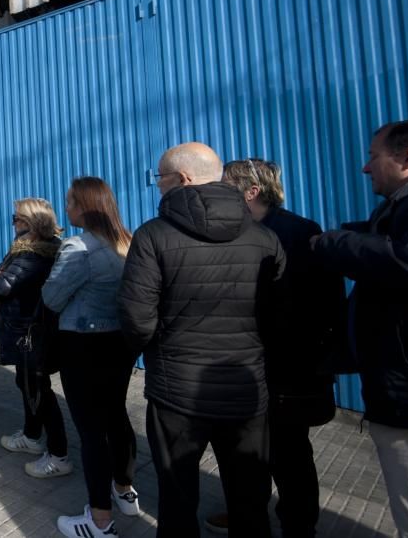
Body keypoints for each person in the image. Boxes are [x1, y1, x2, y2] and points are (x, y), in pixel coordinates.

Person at [118, 142, 284, 538]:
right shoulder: (265, 239)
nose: (157, 186)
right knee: (249, 498)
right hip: (245, 388)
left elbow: (136, 318)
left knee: (177, 500)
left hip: (178, 392)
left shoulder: (153, 236)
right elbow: (278, 317)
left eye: (160, 178)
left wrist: (160, 350)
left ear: (183, 178)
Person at [204, 159, 344, 537]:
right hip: (250, 366)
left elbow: (322, 304)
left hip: (287, 368)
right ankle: (248, 515)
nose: (217, 191)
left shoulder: (296, 233)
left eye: (225, 185)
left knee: (290, 456)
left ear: (251, 191)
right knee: (249, 454)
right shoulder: (238, 232)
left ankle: (298, 527)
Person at [312, 119, 408, 538]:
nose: (366, 168)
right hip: (406, 386)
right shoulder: (402, 205)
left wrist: (332, 243)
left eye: (372, 156)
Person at [42, 178, 139, 537]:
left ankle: (99, 519)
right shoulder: (127, 243)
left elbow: (51, 297)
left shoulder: (78, 248)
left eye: (71, 202)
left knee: (91, 429)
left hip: (83, 344)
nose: (66, 208)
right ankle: (124, 489)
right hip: (121, 343)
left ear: (85, 206)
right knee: (116, 414)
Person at [0, 198, 68, 480]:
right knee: (28, 383)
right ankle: (32, 436)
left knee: (39, 390)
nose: (13, 223)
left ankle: (59, 454)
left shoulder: (32, 255)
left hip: (31, 332)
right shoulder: (29, 250)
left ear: (30, 223)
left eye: (16, 218)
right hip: (31, 331)